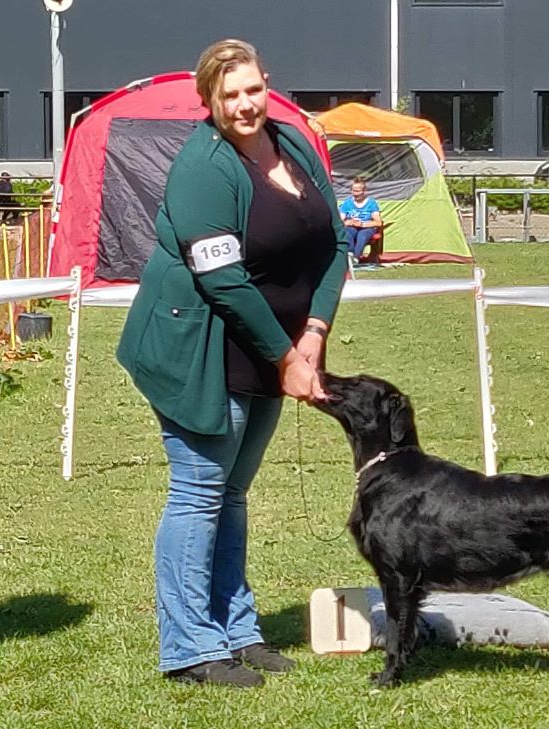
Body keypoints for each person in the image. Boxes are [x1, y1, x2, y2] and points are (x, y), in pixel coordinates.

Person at [116, 39, 347, 688]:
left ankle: (237, 629)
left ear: (266, 85)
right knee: (198, 491)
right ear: (209, 99)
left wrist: (314, 337)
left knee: (233, 492)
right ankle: (190, 647)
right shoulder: (202, 168)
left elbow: (334, 247)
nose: (244, 105)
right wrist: (287, 355)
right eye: (229, 94)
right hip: (202, 348)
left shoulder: (293, 143)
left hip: (272, 348)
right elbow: (223, 281)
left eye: (252, 90)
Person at [339, 177, 383, 263]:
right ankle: (350, 254)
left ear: (364, 191)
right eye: (353, 191)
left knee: (362, 235)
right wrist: (346, 222)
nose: (355, 194)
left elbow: (378, 222)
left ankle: (356, 257)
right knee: (347, 233)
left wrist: (362, 224)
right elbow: (340, 220)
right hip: (352, 227)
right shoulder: (347, 203)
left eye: (358, 191)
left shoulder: (371, 203)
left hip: (367, 228)